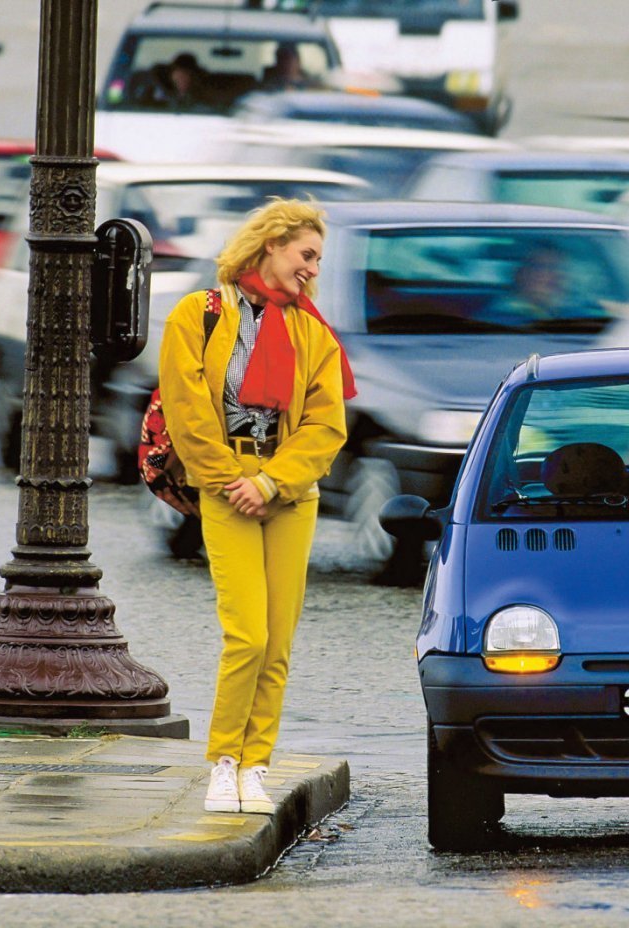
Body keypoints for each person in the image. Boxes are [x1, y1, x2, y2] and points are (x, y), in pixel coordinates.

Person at [158, 198, 357, 814]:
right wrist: (231, 481)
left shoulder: (312, 332)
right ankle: (223, 762)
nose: (313, 269)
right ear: (272, 244)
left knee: (278, 644)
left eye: (318, 260)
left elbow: (327, 426)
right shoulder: (198, 314)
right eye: (306, 254)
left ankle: (255, 767)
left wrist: (271, 484)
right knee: (247, 635)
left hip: (289, 493)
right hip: (225, 486)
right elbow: (186, 410)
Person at [483, 246, 574, 326]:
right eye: (545, 268)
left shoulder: (565, 312)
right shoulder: (504, 317)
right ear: (523, 274)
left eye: (562, 269)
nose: (558, 276)